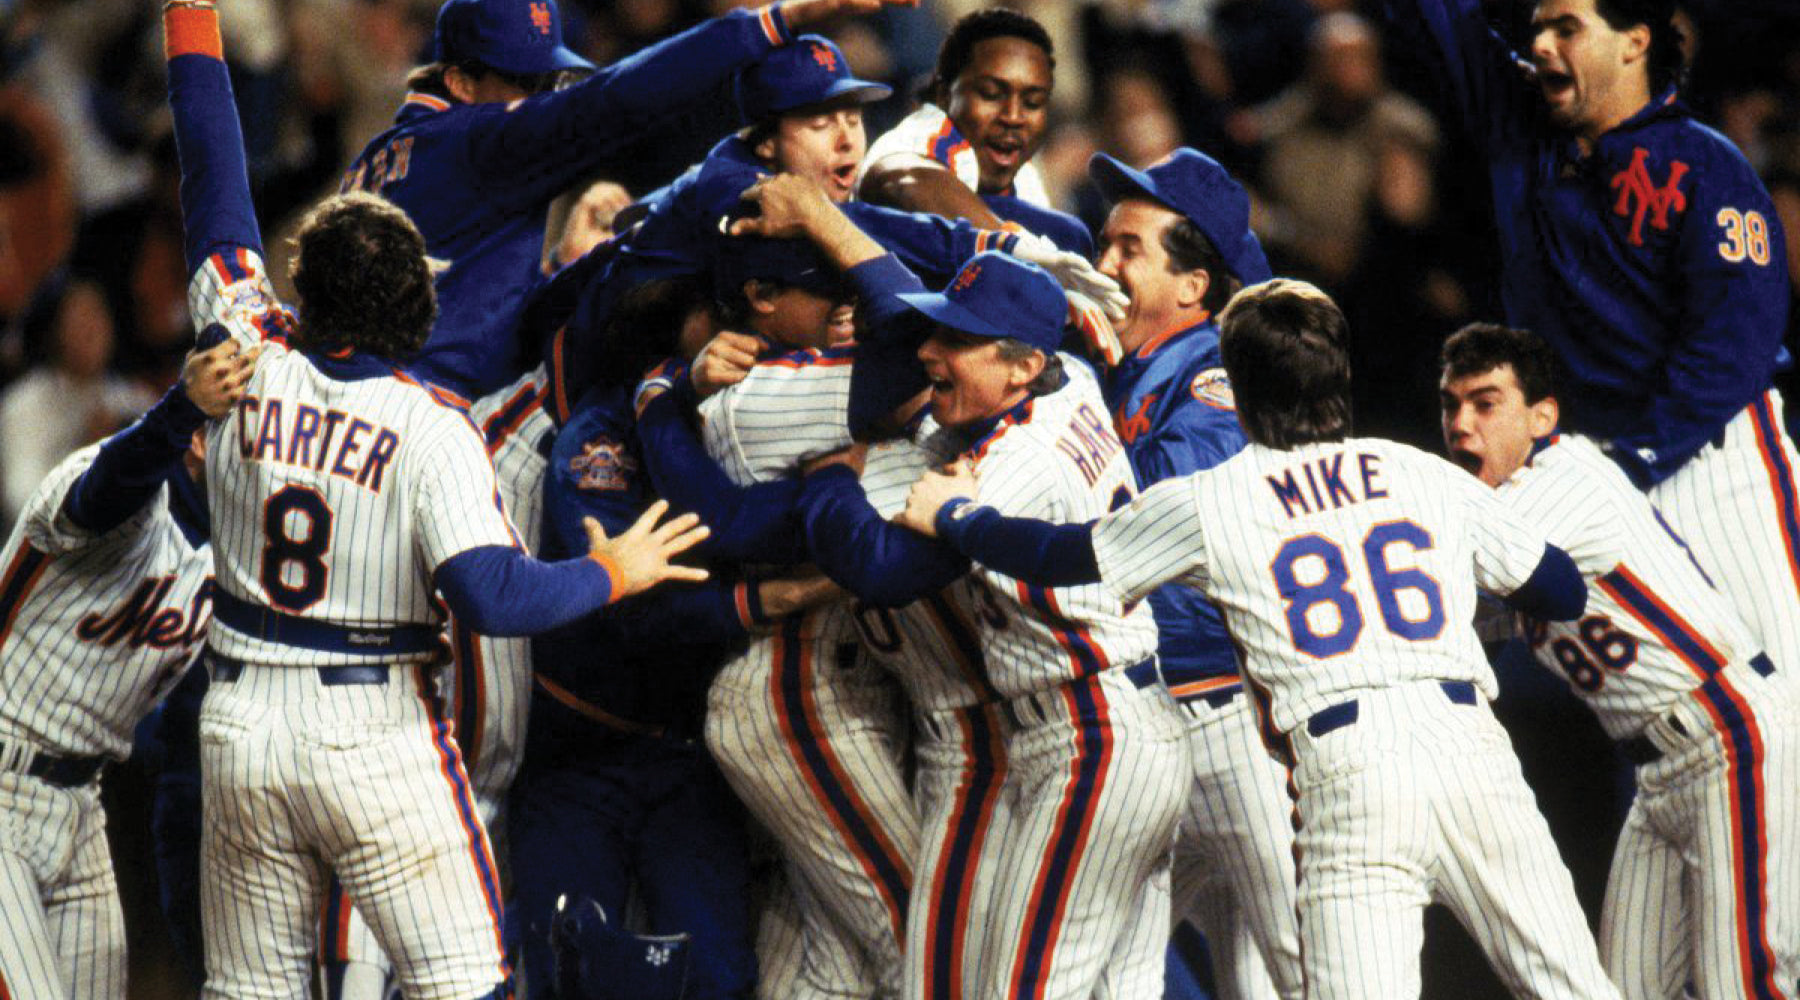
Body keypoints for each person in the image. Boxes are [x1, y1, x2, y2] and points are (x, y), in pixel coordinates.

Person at [163, 5, 707, 997]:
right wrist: (611, 569)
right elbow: (496, 598)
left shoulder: (243, 347)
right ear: (418, 300)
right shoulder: (430, 422)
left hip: (238, 719)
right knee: (466, 983)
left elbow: (212, 174)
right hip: (373, 732)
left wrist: (189, 19)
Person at [897, 278, 1625, 1000]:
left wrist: (958, 515)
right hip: (1471, 746)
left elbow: (1060, 557)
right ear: (1339, 375)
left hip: (1350, 770)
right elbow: (1560, 588)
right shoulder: (1424, 473)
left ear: (1239, 389)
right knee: (1572, 988)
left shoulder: (1213, 500)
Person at [1383, 0, 1800, 681]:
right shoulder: (1521, 126)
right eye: (1537, 29)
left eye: (1567, 28)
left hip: (1713, 463)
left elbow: (1736, 344)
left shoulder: (1705, 163)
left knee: (1782, 690)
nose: (1541, 44)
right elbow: (1446, 18)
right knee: (1648, 710)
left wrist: (1635, 461)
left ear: (1634, 42)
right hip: (1594, 462)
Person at [1439, 321, 1799, 1000]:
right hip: (1659, 773)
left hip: (1732, 739)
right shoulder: (1498, 516)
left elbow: (1451, 567)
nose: (1463, 424)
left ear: (1542, 416)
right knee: (1625, 988)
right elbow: (1451, 616)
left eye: (1486, 403)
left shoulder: (1565, 474)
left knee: (1745, 984)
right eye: (1451, 405)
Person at [342, 0, 912, 398]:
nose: (544, 99)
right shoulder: (474, 142)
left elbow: (466, 302)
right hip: (410, 413)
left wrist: (566, 265)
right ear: (463, 84)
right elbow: (615, 101)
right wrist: (775, 21)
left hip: (354, 400)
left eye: (551, 84)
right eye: (529, 84)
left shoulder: (390, 152)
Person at [1086, 147, 1302, 1000]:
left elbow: (1165, 524)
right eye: (1105, 243)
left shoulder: (1214, 373)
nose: (1104, 265)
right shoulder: (1136, 368)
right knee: (1122, 976)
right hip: (1160, 723)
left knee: (1310, 969)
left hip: (1229, 721)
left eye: (1128, 250)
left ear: (1193, 285)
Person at [0, 339, 250, 999]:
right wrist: (179, 413)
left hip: (83, 807)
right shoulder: (119, 487)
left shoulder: (234, 554)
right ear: (201, 441)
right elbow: (106, 491)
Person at [858, 7, 1095, 255]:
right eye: (990, 95)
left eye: (1032, 102)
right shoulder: (923, 132)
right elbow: (903, 181)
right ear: (944, 94)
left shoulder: (1026, 177)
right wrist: (1018, 248)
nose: (1013, 117)